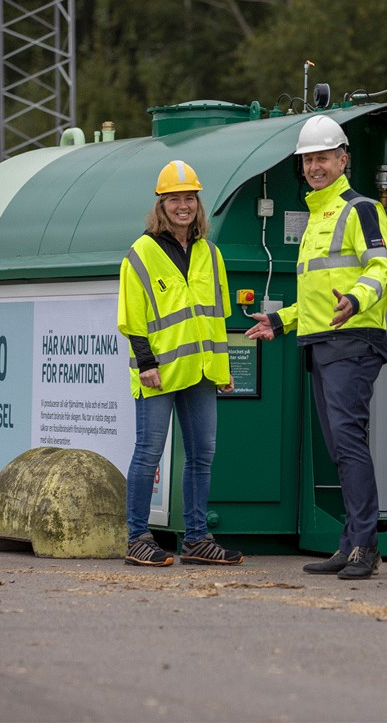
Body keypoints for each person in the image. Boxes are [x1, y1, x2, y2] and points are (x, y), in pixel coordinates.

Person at [245, 115, 387, 579]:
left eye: (323, 157)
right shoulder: (316, 215)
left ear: (343, 159)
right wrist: (280, 320)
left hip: (353, 340)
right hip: (322, 341)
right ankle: (349, 542)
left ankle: (365, 547)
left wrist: (355, 299)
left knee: (348, 443)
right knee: (338, 448)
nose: (315, 166)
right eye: (308, 159)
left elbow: (385, 268)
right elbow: (316, 297)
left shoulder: (360, 209)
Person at [117, 159, 243, 567]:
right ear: (161, 205)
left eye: (189, 198)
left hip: (202, 372)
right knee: (149, 452)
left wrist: (223, 371)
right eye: (174, 198)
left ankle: (196, 539)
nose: (183, 205)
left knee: (202, 454)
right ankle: (137, 537)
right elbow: (131, 316)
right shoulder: (142, 252)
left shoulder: (210, 253)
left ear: (197, 204)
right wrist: (146, 362)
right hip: (159, 370)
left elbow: (217, 317)